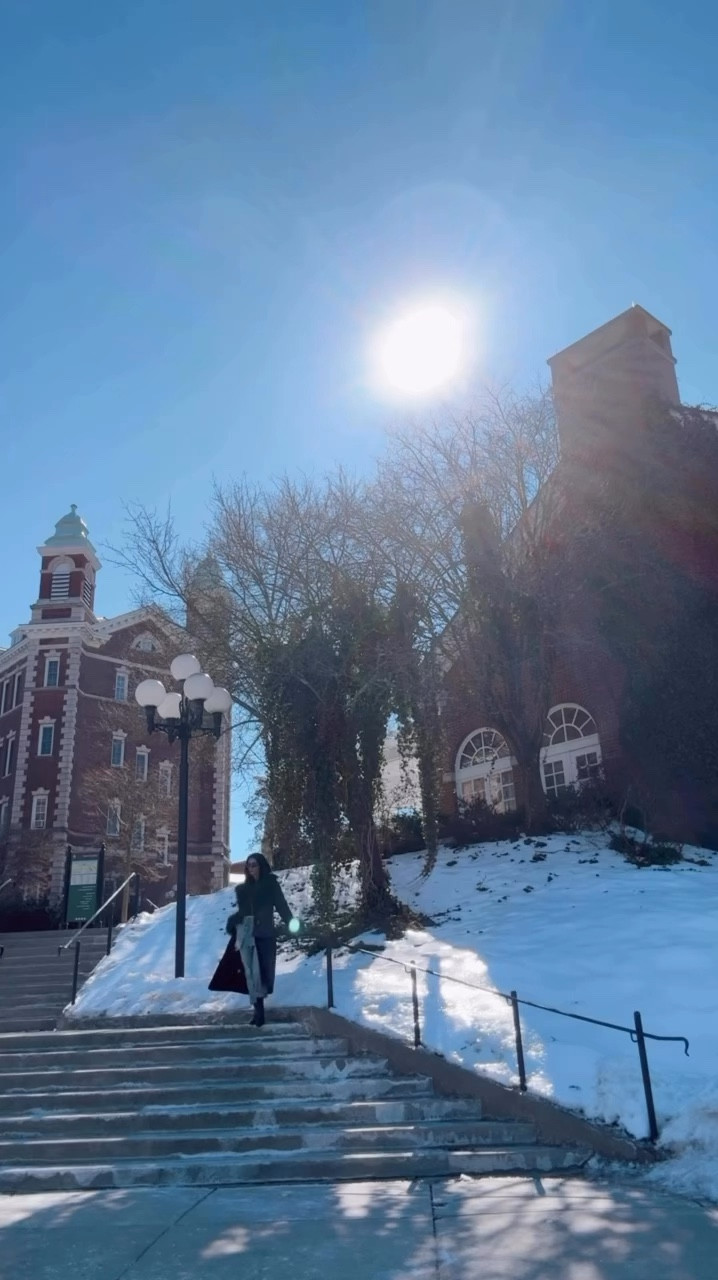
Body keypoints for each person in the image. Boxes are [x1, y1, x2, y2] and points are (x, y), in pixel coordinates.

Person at [226, 853, 300, 1027]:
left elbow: (281, 905)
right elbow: (243, 913)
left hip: (265, 934)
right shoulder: (243, 890)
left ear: (261, 865)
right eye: (249, 865)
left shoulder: (270, 885)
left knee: (263, 973)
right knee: (251, 973)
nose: (251, 868)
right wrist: (233, 922)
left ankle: (259, 1010)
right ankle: (258, 1011)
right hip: (247, 933)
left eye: (254, 865)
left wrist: (292, 923)